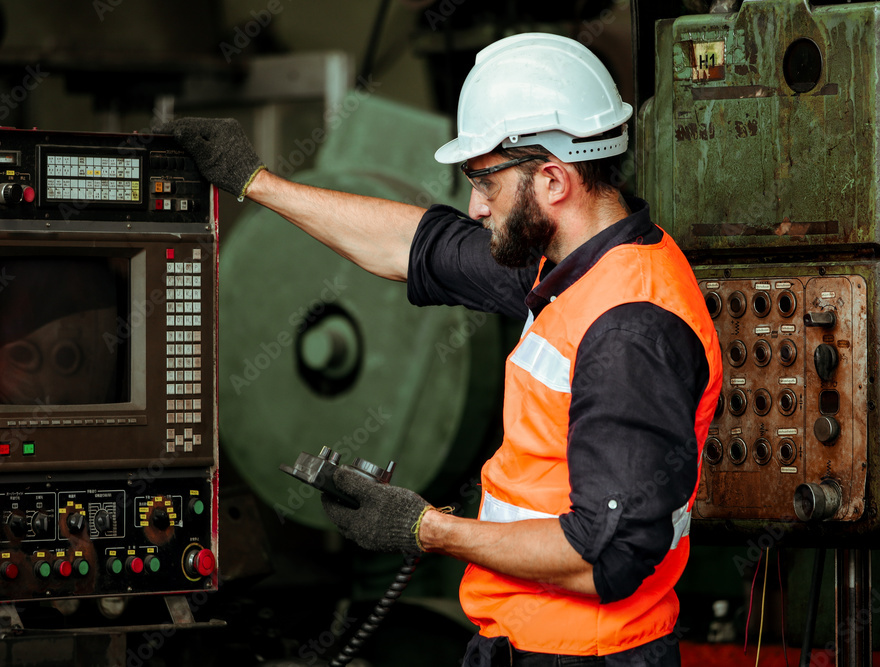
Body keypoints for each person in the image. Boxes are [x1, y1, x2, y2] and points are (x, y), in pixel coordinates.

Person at [163, 32, 722, 667]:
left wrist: (424, 528)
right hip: (526, 643)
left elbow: (604, 558)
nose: (475, 206)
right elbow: (416, 247)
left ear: (553, 179)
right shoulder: (572, 264)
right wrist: (256, 182)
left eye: (486, 182)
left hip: (588, 655)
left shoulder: (629, 333)